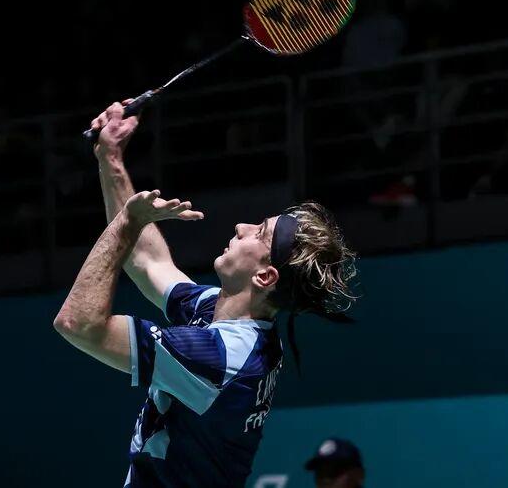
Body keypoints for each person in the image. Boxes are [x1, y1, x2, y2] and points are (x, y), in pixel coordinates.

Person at [53, 101, 360, 487]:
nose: (241, 227)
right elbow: (148, 262)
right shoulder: (226, 315)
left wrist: (127, 223)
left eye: (259, 233)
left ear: (265, 276)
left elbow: (79, 324)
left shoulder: (220, 359)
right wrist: (110, 158)